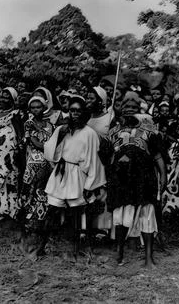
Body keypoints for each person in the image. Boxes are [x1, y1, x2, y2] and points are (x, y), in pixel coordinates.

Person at [43, 96, 107, 259]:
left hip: (78, 174)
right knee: (52, 210)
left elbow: (93, 160)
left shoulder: (89, 133)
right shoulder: (62, 129)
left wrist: (89, 185)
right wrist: (60, 136)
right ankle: (41, 246)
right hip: (61, 172)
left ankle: (75, 249)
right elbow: (50, 152)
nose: (75, 114)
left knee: (76, 214)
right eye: (72, 110)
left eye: (78, 110)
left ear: (84, 112)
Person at [107, 93, 166, 267]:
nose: (129, 110)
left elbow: (157, 156)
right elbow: (110, 157)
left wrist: (163, 176)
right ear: (120, 109)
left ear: (138, 111)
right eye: (126, 107)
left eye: (133, 108)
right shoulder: (112, 131)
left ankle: (149, 258)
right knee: (121, 215)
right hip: (122, 179)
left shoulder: (149, 130)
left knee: (147, 213)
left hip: (144, 177)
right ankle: (119, 254)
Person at [18, 96, 54, 256]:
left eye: (38, 107)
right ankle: (26, 237)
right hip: (33, 164)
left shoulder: (50, 125)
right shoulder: (28, 123)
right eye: (32, 107)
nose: (35, 110)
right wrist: (48, 147)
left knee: (42, 198)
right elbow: (33, 142)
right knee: (29, 197)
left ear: (44, 107)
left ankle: (40, 242)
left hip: (47, 166)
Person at [0, 87, 24, 219]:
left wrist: (18, 148)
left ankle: (6, 210)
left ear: (12, 99)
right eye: (1, 96)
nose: (2, 99)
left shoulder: (15, 114)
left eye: (6, 97)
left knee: (3, 177)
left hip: (7, 152)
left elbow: (19, 133)